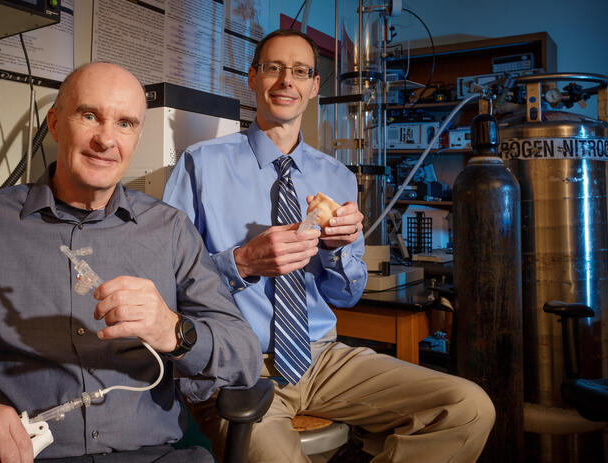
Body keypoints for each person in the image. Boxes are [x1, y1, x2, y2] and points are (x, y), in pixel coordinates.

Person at [0, 62, 261, 463]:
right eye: (89, 116)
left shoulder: (171, 229)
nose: (106, 139)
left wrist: (174, 330)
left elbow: (242, 354)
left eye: (125, 124)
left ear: (137, 137)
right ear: (54, 124)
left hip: (154, 454)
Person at [162, 29, 495, 463]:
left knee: (468, 408)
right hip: (236, 366)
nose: (286, 81)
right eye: (274, 68)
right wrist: (241, 262)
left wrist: (338, 250)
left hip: (322, 358)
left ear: (314, 86)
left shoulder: (337, 176)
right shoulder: (200, 164)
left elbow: (346, 294)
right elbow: (166, 281)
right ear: (252, 77)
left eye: (300, 71)